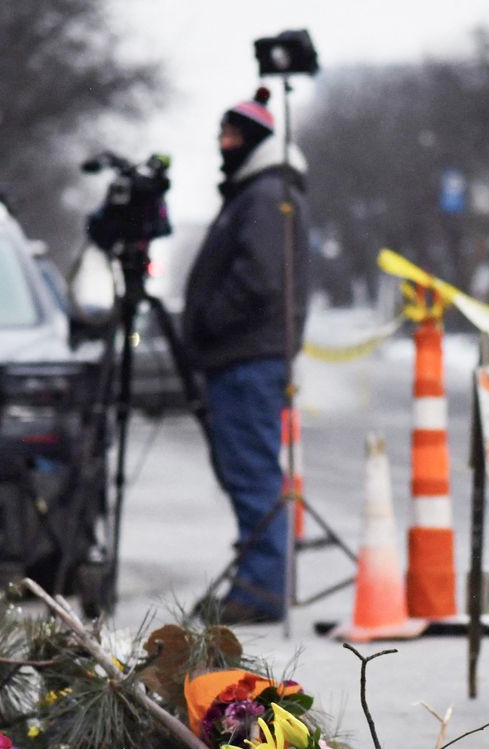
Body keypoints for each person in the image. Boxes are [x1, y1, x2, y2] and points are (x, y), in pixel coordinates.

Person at [183, 88, 311, 624]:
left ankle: (260, 589)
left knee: (253, 471)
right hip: (244, 358)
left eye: (232, 136)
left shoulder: (263, 196)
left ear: (255, 142)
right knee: (248, 471)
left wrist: (209, 319)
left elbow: (260, 277)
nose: (222, 144)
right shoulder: (257, 194)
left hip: (247, 359)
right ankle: (255, 580)